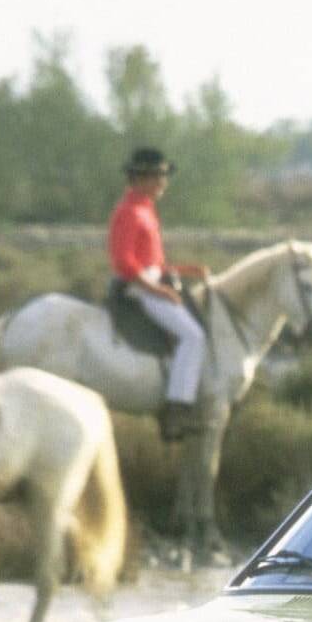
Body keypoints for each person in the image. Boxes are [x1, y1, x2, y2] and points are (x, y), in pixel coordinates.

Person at [108, 147, 210, 441]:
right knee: (194, 336)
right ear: (143, 177)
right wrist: (159, 290)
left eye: (164, 176)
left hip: (149, 280)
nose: (164, 182)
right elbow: (125, 262)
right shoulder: (129, 211)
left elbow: (153, 261)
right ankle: (176, 413)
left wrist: (187, 269)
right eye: (160, 176)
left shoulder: (145, 208)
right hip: (137, 286)